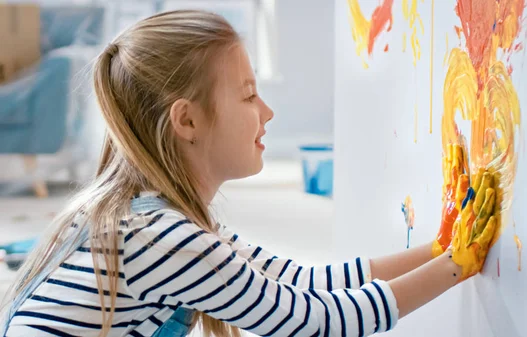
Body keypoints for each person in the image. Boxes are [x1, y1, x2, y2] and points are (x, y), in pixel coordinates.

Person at [0, 10, 498, 337]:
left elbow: (300, 281)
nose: (267, 112)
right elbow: (309, 321)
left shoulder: (155, 220)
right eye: (247, 95)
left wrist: (439, 248)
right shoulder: (161, 238)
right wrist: (459, 265)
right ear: (187, 120)